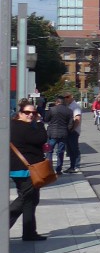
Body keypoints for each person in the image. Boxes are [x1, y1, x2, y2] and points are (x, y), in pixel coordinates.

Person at [9, 99, 49, 241]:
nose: (31, 115)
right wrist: (39, 123)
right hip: (27, 170)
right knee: (25, 199)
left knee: (31, 199)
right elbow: (41, 138)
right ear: (20, 113)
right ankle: (4, 225)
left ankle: (29, 232)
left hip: (19, 169)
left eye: (34, 113)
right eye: (27, 112)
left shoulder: (12, 125)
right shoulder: (24, 127)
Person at [44, 95, 74, 176]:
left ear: (56, 102)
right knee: (60, 152)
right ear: (63, 102)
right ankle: (58, 170)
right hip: (63, 134)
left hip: (52, 134)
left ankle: (49, 170)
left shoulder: (52, 109)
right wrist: (67, 130)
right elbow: (71, 124)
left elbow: (46, 119)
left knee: (49, 151)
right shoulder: (69, 111)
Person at [65, 93, 83, 174]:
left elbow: (77, 119)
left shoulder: (75, 106)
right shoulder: (69, 106)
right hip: (69, 130)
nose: (66, 99)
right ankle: (72, 166)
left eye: (67, 97)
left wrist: (73, 129)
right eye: (65, 97)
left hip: (74, 131)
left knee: (74, 149)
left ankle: (76, 166)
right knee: (70, 150)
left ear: (71, 97)